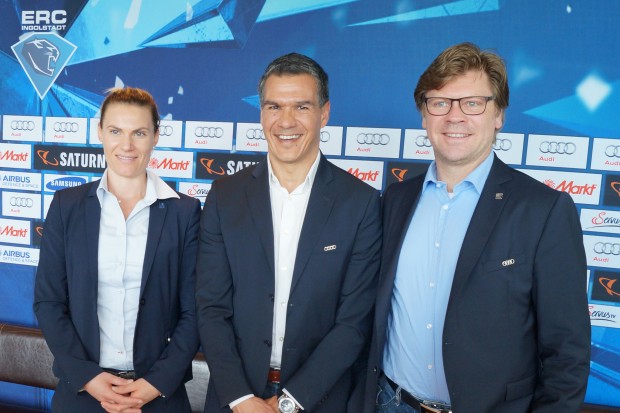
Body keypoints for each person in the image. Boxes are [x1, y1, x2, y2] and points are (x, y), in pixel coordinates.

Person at [362, 42, 590, 413]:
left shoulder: (544, 211)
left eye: (472, 103)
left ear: (498, 113)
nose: (455, 116)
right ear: (424, 115)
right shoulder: (394, 200)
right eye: (440, 102)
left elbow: (567, 351)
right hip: (391, 403)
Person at [195, 52, 382, 413]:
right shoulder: (224, 196)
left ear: (324, 112)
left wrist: (289, 403)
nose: (286, 121)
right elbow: (211, 308)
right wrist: (240, 398)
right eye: (274, 107)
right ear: (262, 113)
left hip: (320, 398)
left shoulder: (360, 203)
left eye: (301, 107)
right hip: (235, 397)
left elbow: (353, 324)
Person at [34, 87, 201, 413]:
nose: (126, 145)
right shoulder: (66, 208)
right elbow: (49, 302)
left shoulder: (186, 213)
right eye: (115, 131)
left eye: (139, 132)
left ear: (156, 135)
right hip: (82, 392)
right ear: (100, 133)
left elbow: (195, 311)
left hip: (158, 396)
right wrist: (88, 377)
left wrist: (155, 383)